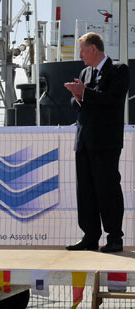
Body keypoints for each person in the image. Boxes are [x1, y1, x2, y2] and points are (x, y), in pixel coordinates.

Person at [64, 32, 129, 253]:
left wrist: (85, 94)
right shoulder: (85, 72)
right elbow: (77, 102)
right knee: (86, 191)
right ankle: (90, 236)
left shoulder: (119, 70)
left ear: (94, 49)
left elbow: (112, 100)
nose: (80, 55)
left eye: (82, 50)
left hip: (106, 142)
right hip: (84, 141)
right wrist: (78, 95)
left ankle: (114, 237)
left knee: (107, 189)